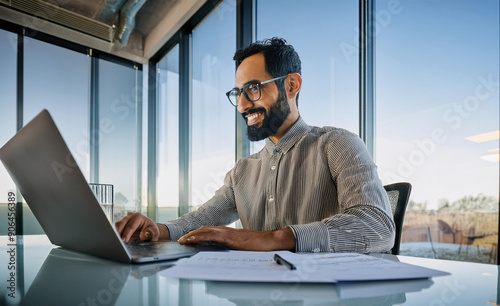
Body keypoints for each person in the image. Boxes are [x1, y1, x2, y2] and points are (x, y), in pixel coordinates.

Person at [116, 37, 395, 253]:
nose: (241, 105)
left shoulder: (337, 144)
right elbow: (200, 220)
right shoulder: (242, 173)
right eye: (237, 93)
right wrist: (159, 229)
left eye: (252, 88)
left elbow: (377, 225)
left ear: (291, 85)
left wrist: (271, 239)